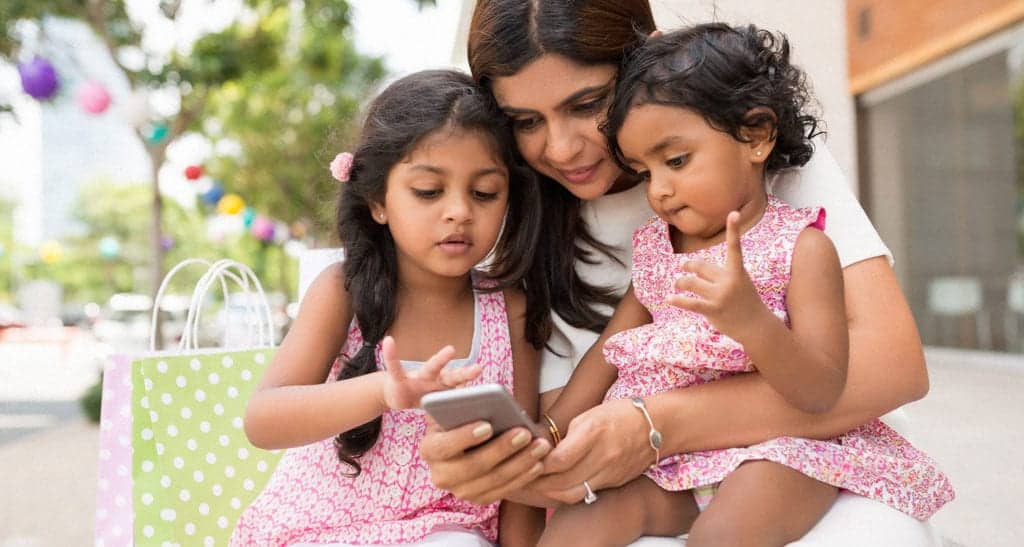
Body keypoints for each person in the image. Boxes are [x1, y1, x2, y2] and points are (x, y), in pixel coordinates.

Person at [420, 1, 946, 545]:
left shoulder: (743, 151)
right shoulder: (507, 214)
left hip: (805, 461)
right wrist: (507, 461)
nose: (561, 147)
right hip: (647, 489)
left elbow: (895, 368)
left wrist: (657, 422)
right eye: (525, 122)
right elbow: (576, 429)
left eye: (587, 104)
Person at [231, 69, 546, 547]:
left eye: (484, 192)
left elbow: (517, 471)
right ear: (378, 199)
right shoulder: (343, 290)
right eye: (428, 191)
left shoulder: (511, 308)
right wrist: (381, 391)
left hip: (450, 534)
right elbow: (263, 419)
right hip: (320, 530)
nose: (459, 211)